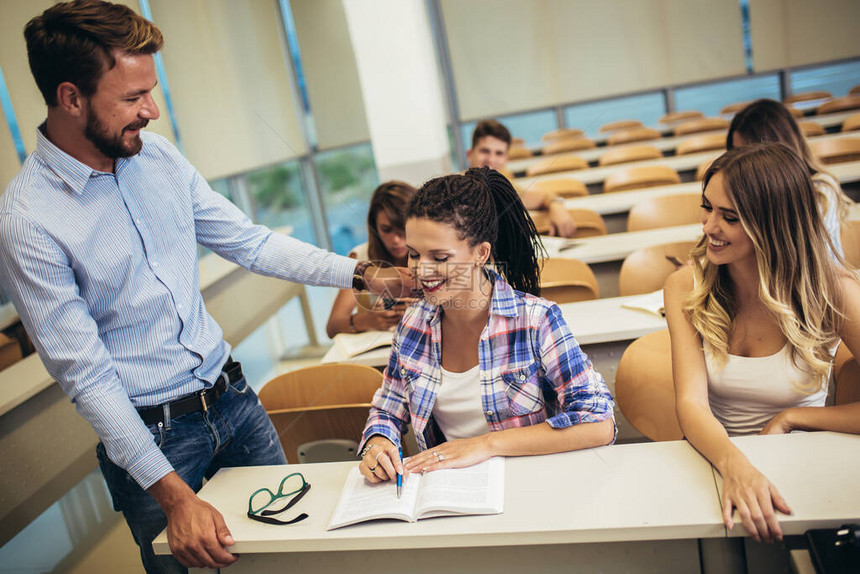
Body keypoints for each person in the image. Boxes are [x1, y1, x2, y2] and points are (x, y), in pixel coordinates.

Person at [0, 2, 412, 572]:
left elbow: (251, 242)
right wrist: (173, 496)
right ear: (71, 98)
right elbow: (87, 376)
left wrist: (364, 272)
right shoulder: (30, 221)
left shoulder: (158, 158)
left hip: (236, 402)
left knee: (298, 558)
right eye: (132, 97)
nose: (153, 110)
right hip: (156, 445)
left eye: (153, 90)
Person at [357, 167, 615, 483]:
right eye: (414, 254)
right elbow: (387, 409)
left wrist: (487, 445)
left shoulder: (535, 320)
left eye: (439, 258)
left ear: (481, 253)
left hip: (533, 484)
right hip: (449, 495)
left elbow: (599, 423)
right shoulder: (412, 323)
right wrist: (379, 440)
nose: (421, 270)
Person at [664, 143, 860, 545]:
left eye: (729, 217)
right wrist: (735, 464)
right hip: (715, 462)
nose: (708, 227)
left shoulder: (831, 289)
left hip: (804, 467)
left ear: (772, 223)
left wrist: (795, 418)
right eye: (707, 208)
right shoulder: (685, 285)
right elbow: (692, 404)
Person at [727, 98, 854, 257]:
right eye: (735, 153)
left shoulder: (820, 192)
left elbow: (810, 263)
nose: (739, 164)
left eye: (748, 154)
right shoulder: (743, 193)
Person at [326, 181, 417, 337]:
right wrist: (368, 320)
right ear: (374, 227)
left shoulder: (434, 256)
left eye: (402, 228)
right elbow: (333, 325)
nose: (395, 239)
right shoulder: (361, 258)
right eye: (386, 230)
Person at [467, 119, 578, 238]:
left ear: (506, 159)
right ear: (469, 154)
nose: (491, 160)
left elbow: (545, 197)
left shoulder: (506, 191)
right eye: (485, 151)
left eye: (499, 153)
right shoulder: (454, 190)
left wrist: (556, 207)